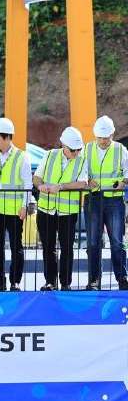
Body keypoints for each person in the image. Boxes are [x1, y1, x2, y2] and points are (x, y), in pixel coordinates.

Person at [33, 127, 88, 291]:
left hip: (68, 212)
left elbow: (83, 183)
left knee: (67, 249)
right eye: (73, 150)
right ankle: (50, 281)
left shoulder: (82, 159)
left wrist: (61, 186)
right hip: (46, 209)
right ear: (64, 145)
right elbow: (36, 177)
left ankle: (65, 283)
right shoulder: (49, 155)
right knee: (48, 248)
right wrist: (41, 186)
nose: (76, 153)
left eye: (78, 149)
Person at [0, 117, 33, 291]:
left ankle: (15, 281)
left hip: (14, 210)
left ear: (5, 137)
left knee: (16, 247)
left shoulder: (22, 156)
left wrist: (24, 205)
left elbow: (28, 184)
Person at [84, 116, 128, 290]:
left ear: (112, 134)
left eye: (106, 137)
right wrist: (87, 179)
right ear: (95, 135)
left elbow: (127, 173)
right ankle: (94, 281)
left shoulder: (120, 150)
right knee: (93, 242)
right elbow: (79, 171)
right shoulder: (86, 149)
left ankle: (122, 278)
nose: (103, 141)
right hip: (93, 200)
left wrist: (123, 183)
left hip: (114, 200)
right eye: (100, 137)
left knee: (117, 241)